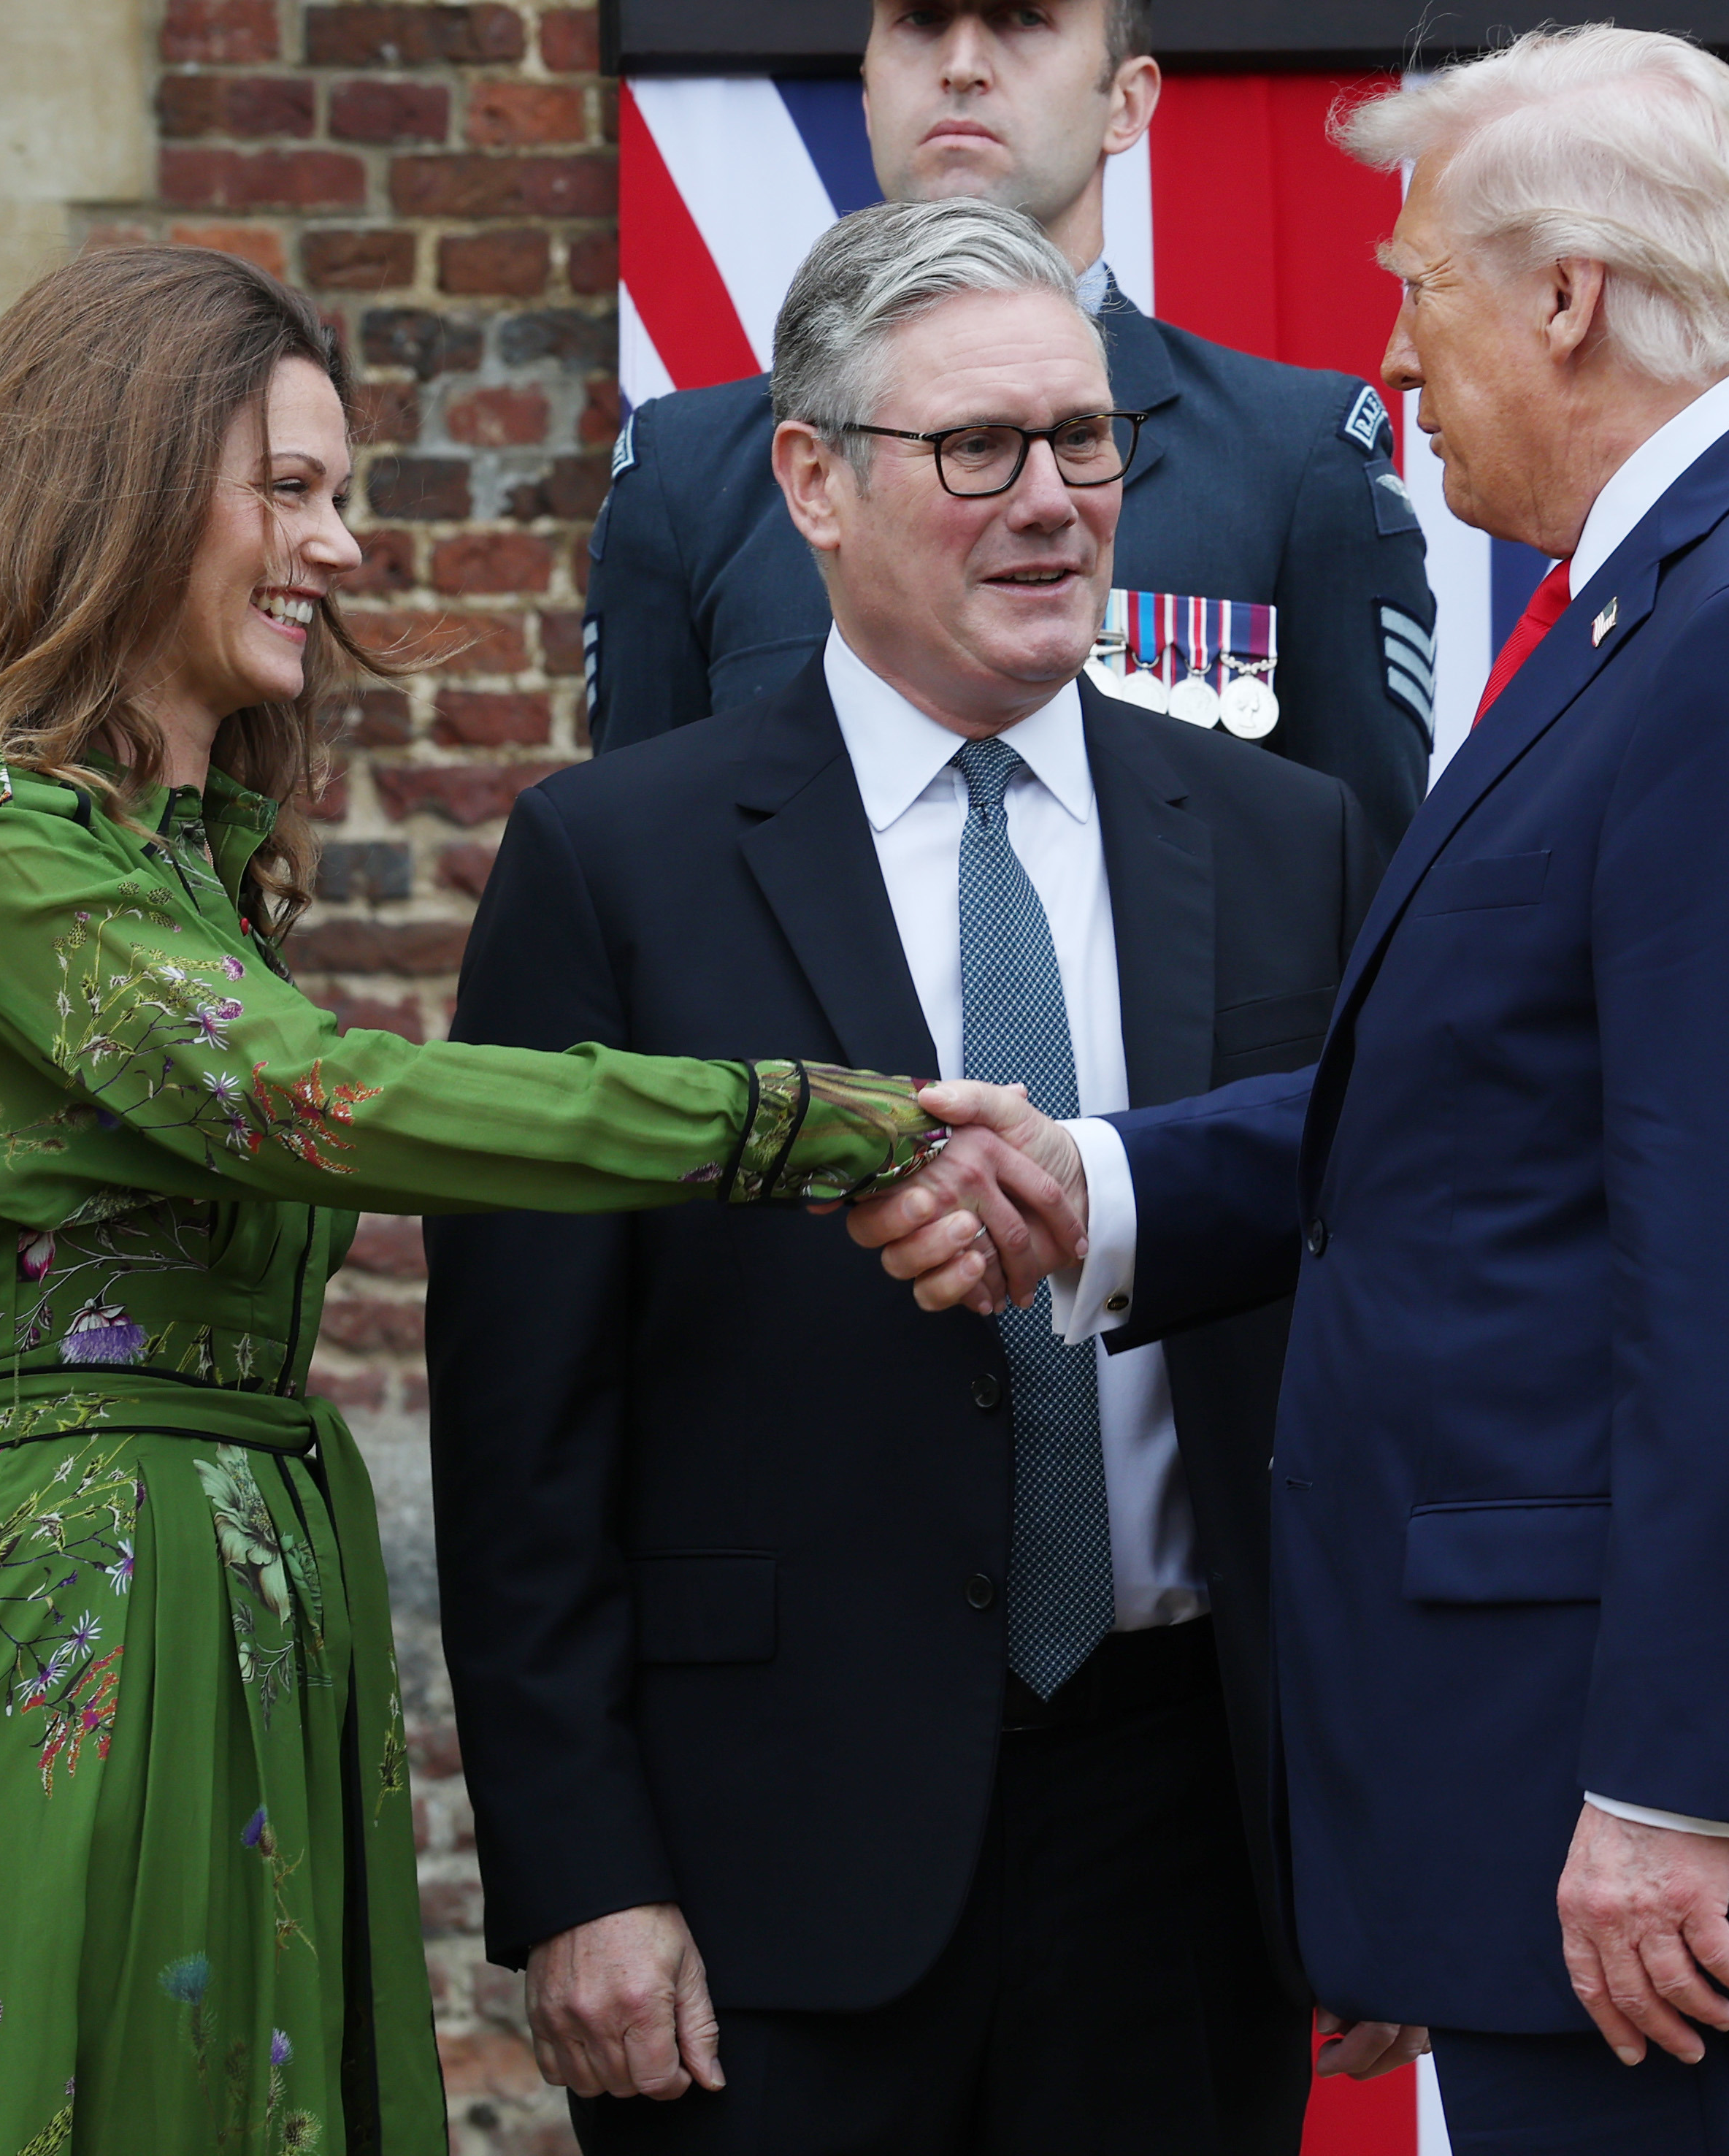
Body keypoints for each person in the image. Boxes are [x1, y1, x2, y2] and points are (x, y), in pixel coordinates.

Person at [853, 34, 1729, 2155]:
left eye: (1420, 288)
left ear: (1572, 296)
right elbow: (1515, 1107)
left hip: (1664, 1820)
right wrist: (1113, 1184)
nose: (1395, 359)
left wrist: (1677, 1785)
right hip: (1628, 1763)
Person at [0, 244, 968, 2156]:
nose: (339, 545)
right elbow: (319, 1106)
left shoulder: (183, 865)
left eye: (347, 494)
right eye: (292, 489)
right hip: (81, 1592)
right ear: (124, 490)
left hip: (232, 1584)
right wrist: (785, 1123)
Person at [427, 198, 1408, 2156]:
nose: (1050, 500)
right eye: (977, 451)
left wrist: (1369, 1825)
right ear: (811, 480)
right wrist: (580, 1876)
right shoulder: (616, 866)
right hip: (765, 1863)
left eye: (1083, 438)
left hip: (1182, 1849)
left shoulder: (1283, 835)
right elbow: (521, 1430)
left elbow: (1360, 1353)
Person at [588, 0, 1441, 852]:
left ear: (1128, 100)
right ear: (868, 86)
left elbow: (1363, 897)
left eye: (1022, 19)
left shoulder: (1293, 455)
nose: (961, 64)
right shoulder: (688, 474)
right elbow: (646, 876)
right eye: (919, 22)